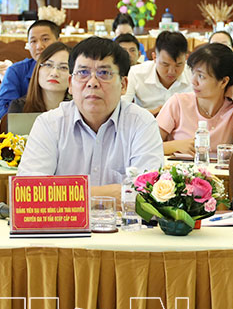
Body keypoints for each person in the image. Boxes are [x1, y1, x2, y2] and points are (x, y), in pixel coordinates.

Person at [18, 36, 164, 198]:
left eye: (104, 73)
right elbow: (30, 192)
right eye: (83, 73)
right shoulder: (49, 124)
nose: (92, 82)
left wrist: (62, 194)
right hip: (68, 218)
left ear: (123, 85)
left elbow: (148, 193)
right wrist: (114, 193)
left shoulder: (142, 123)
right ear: (70, 84)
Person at [157, 44, 233, 156]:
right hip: (180, 166)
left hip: (218, 167)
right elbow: (147, 146)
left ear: (224, 81)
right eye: (193, 73)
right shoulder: (178, 102)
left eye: (201, 76)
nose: (193, 81)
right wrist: (176, 145)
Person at [0, 19, 62, 118]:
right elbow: (3, 112)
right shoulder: (16, 71)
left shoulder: (73, 69)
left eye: (45, 39)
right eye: (33, 41)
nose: (39, 46)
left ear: (59, 42)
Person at [123, 31, 191, 115]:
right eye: (165, 64)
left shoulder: (193, 75)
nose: (171, 71)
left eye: (178, 65)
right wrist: (151, 114)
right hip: (145, 121)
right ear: (154, 57)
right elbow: (122, 108)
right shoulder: (136, 73)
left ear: (186, 58)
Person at [7, 41, 71, 114]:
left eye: (63, 67)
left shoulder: (77, 110)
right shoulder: (19, 108)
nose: (54, 73)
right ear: (37, 70)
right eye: (48, 65)